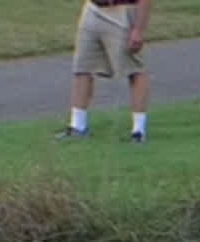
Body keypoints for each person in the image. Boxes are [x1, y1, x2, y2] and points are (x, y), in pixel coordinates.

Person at [57, 0, 153, 143]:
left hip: (122, 10)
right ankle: (78, 125)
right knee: (82, 66)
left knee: (135, 70)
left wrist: (138, 30)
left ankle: (138, 131)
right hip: (93, 8)